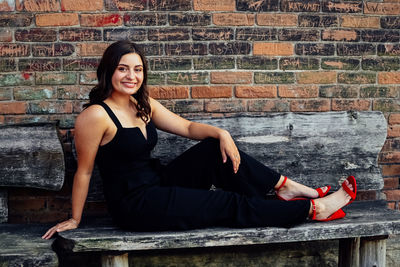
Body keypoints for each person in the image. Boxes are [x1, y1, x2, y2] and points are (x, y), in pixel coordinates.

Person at [42, 41, 356, 239]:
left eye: (137, 70)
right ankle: (311, 210)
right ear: (109, 71)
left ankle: (282, 187)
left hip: (158, 183)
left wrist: (221, 133)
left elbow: (189, 128)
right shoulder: (95, 116)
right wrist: (74, 218)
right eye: (123, 69)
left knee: (211, 150)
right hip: (136, 205)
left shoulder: (143, 104)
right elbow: (83, 171)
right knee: (225, 203)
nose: (131, 76)